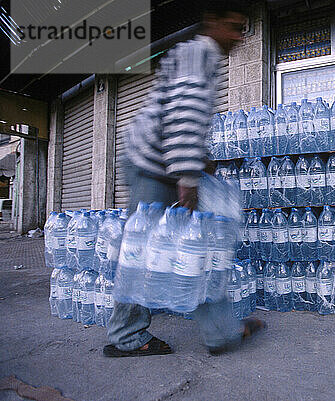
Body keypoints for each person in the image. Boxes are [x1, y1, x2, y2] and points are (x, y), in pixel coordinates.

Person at [104, 1, 265, 358]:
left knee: (201, 246)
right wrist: (188, 175)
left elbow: (180, 118)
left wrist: (197, 162)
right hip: (152, 165)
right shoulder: (198, 55)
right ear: (212, 20)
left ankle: (221, 333)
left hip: (165, 163)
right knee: (144, 253)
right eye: (234, 27)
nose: (239, 37)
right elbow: (183, 114)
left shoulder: (202, 58)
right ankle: (127, 337)